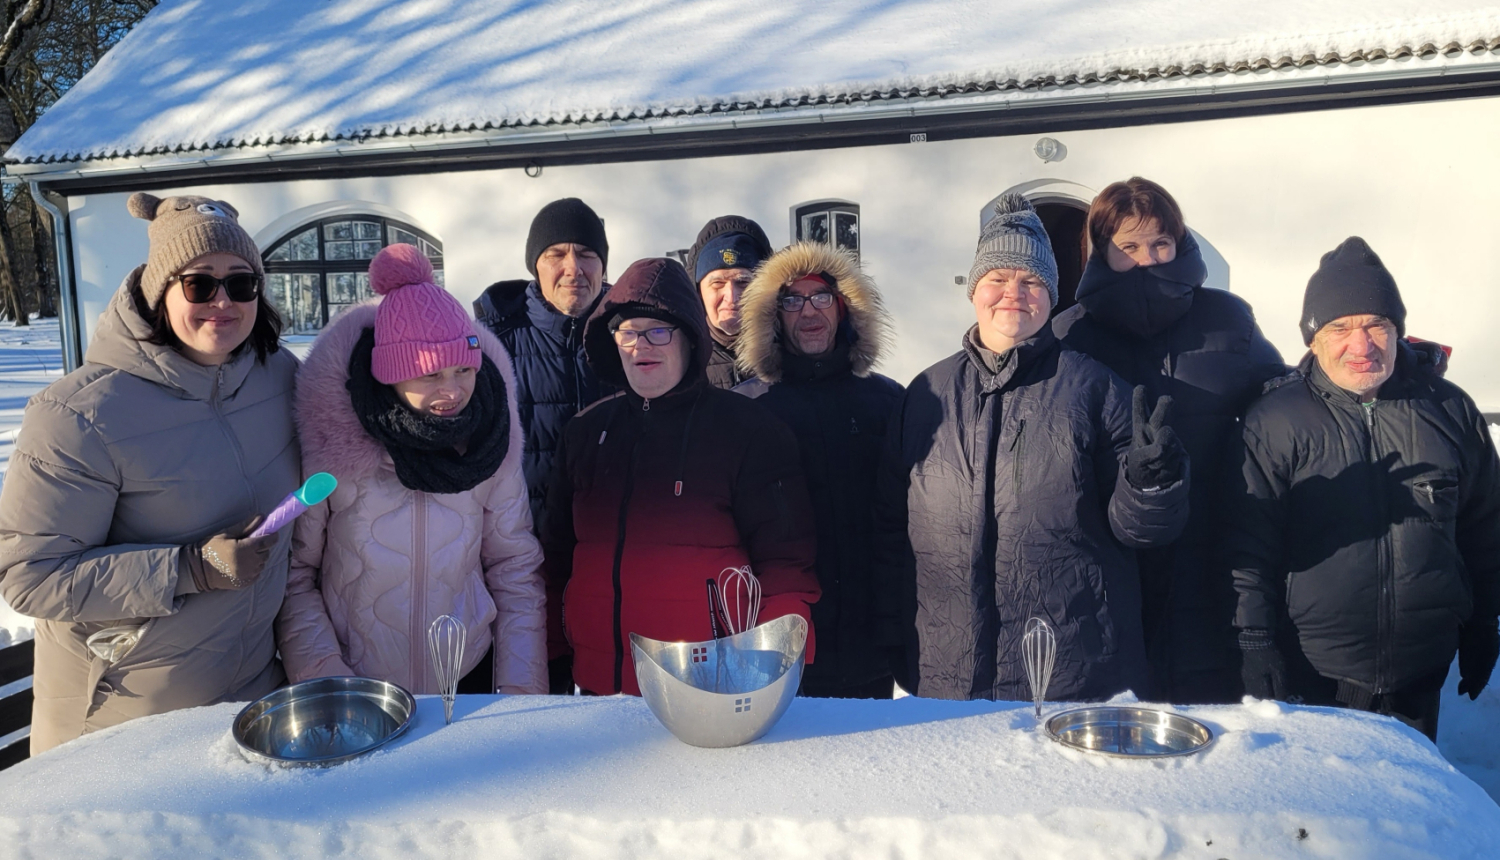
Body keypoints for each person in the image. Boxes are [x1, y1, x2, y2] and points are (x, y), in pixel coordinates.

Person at [0, 193, 298, 753]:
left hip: (252, 703)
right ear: (159, 290)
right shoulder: (78, 415)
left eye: (241, 283)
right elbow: (29, 576)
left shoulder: (277, 378)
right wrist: (190, 567)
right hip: (123, 727)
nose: (223, 301)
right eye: (199, 284)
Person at [875, 194, 1189, 702]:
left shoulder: (1094, 389)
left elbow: (1140, 533)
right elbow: (889, 528)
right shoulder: (925, 395)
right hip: (945, 673)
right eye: (997, 279)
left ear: (1052, 293)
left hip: (1070, 671)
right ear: (974, 290)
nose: (1013, 294)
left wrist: (1152, 485)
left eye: (1032, 281)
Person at [1225, 237, 1500, 741]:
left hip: (1418, 679)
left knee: (1404, 814)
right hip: (1314, 675)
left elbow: (1485, 528)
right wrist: (1255, 639)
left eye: (1377, 325)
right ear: (1312, 339)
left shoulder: (1449, 410)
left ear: (1398, 331)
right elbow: (1249, 544)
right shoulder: (1277, 420)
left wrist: (1486, 622)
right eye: (1340, 328)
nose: (1362, 344)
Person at [1052, 178, 1286, 704]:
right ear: (1099, 252)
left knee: (1211, 728)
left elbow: (1284, 399)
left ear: (1180, 244)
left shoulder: (1228, 320)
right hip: (1110, 566)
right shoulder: (1070, 334)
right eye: (1128, 247)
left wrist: (1358, 373)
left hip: (1212, 559)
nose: (1147, 260)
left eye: (1160, 244)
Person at [541, 257, 821, 696]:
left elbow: (787, 568)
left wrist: (773, 673)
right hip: (598, 692)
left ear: (690, 339)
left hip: (712, 692)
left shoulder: (749, 431)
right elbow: (555, 563)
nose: (640, 346)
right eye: (628, 332)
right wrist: (552, 659)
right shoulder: (585, 432)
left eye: (658, 331)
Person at [276, 244, 547, 695]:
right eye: (429, 375)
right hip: (357, 684)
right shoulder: (333, 452)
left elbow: (514, 568)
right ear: (390, 374)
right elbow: (294, 577)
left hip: (467, 675)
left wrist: (522, 693)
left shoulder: (489, 441)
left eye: (464, 369)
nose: (453, 390)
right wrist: (330, 684)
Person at [733, 241, 904, 698]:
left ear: (845, 307)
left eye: (821, 297)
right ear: (774, 315)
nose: (809, 310)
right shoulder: (746, 410)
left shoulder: (888, 402)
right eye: (792, 300)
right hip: (779, 648)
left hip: (870, 646)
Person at [473, 198, 614, 533]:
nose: (573, 268)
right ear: (535, 266)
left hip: (616, 547)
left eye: (586, 254)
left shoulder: (629, 333)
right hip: (524, 550)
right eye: (556, 254)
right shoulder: (494, 344)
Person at [683, 215, 773, 389]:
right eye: (718, 284)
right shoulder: (680, 359)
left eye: (743, 282)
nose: (731, 297)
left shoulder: (788, 355)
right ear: (698, 291)